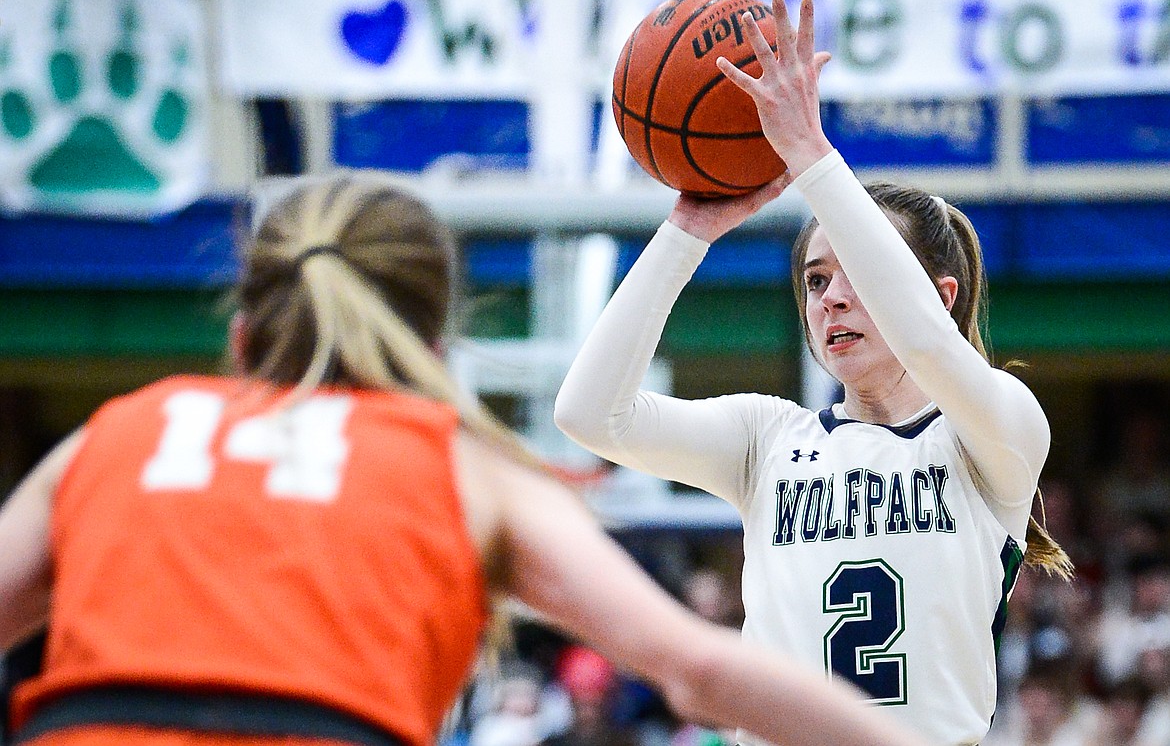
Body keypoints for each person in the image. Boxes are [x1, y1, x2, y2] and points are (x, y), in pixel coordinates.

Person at [0, 172, 926, 746]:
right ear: (433, 352)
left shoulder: (120, 432)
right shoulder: (463, 470)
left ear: (242, 341)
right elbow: (698, 671)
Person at [554, 0, 1073, 746]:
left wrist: (813, 158)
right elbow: (590, 414)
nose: (833, 298)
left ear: (941, 296)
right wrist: (688, 229)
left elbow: (929, 348)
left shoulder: (999, 428)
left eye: (858, 272)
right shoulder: (768, 436)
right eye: (816, 279)